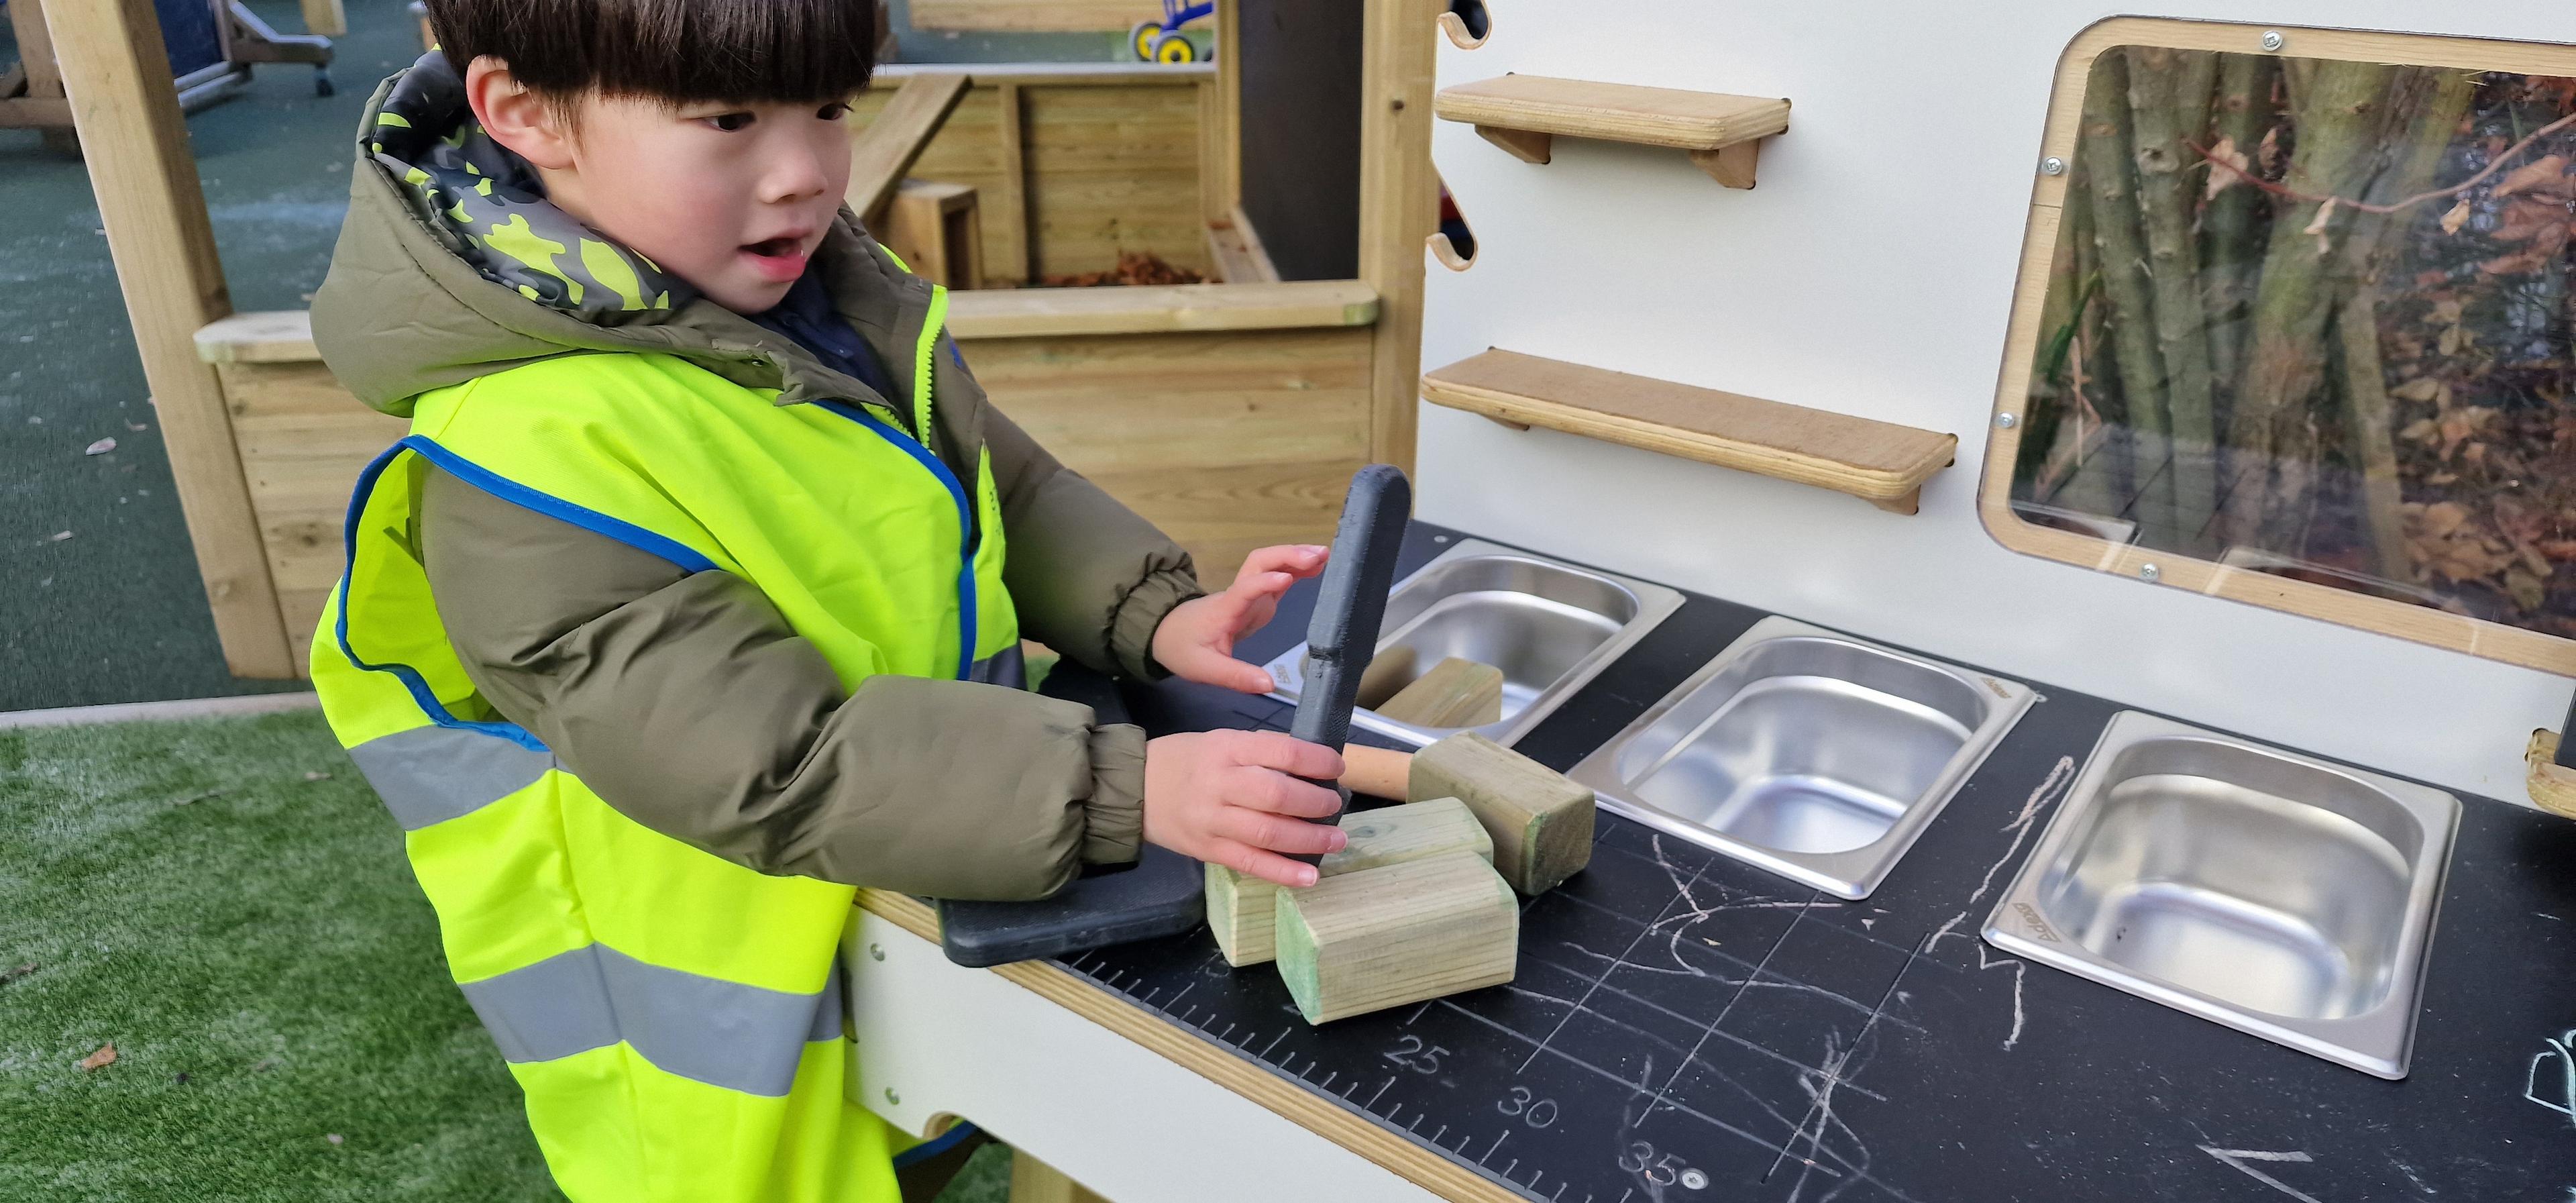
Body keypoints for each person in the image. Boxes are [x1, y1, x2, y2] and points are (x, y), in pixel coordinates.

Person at [305, 1, 1351, 1198]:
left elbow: (995, 485)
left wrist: (1151, 610)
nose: (804, 172)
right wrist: (1122, 787)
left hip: (917, 888)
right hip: (734, 1036)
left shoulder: (819, 308)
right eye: (728, 119)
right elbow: (768, 759)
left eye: (829, 107)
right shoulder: (521, 457)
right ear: (526, 114)